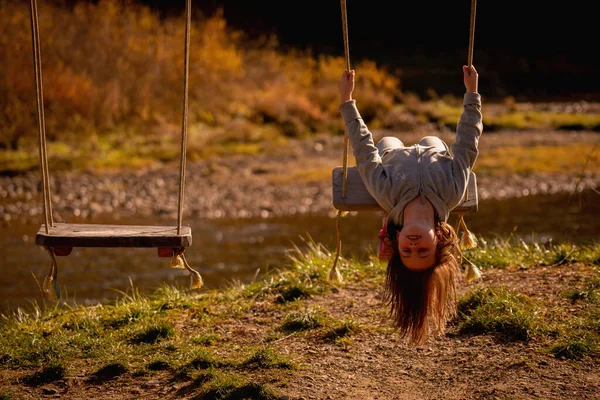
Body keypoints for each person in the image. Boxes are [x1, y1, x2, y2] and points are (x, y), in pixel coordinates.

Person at [338, 65, 482, 344]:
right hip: (434, 151)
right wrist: (472, 94)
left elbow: (363, 148)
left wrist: (347, 101)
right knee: (432, 141)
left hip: (390, 155)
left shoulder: (386, 192)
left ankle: (387, 219)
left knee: (387, 141)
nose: (414, 244)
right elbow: (467, 146)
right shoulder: (450, 192)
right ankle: (389, 218)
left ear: (398, 239)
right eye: (423, 250)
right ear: (439, 238)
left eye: (407, 250)